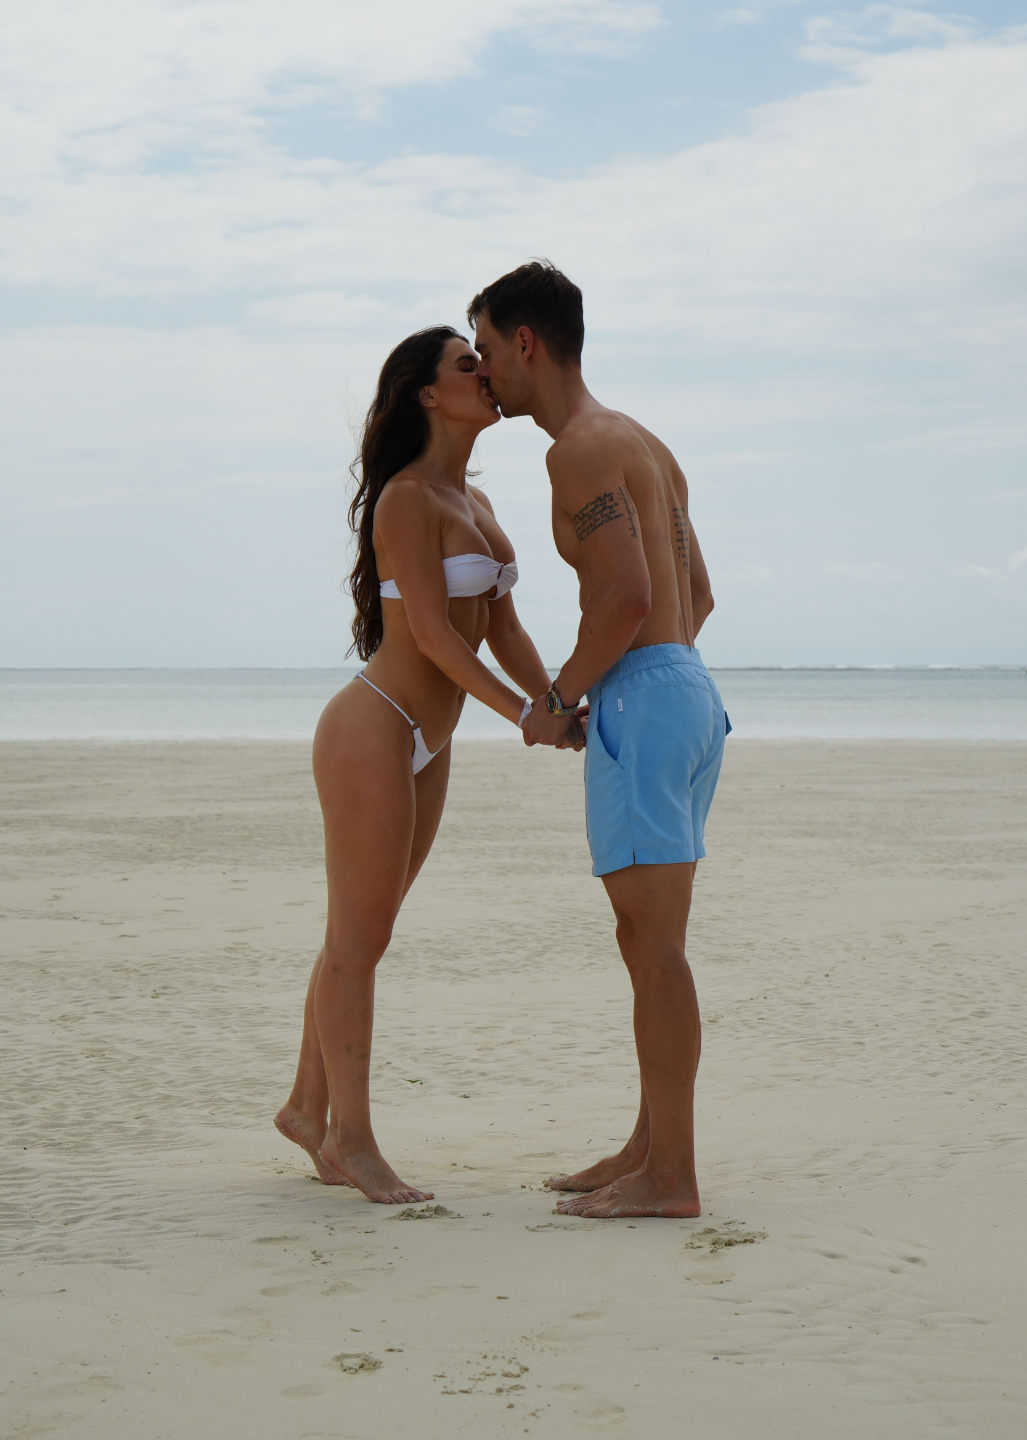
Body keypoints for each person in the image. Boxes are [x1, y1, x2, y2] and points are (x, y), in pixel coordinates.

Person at [274, 325, 568, 1204]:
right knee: (358, 942)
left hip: (428, 741)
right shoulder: (405, 498)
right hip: (374, 726)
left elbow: (502, 627)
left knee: (363, 935)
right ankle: (350, 1141)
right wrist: (522, 716)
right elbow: (435, 637)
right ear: (428, 396)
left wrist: (554, 700)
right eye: (466, 365)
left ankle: (305, 1107)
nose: (486, 374)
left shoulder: (476, 500)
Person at [470, 262, 728, 1220]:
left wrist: (557, 699)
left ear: (525, 343)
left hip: (645, 698)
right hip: (686, 687)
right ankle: (648, 1147)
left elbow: (623, 596)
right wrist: (646, 679)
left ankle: (672, 1178)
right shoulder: (643, 442)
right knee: (647, 942)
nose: (483, 370)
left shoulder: (576, 450)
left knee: (654, 952)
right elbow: (695, 594)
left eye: (486, 349)